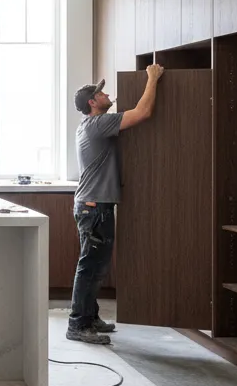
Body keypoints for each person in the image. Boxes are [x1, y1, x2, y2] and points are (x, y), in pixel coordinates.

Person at [66, 64, 164, 345]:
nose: (107, 94)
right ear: (92, 103)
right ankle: (77, 324)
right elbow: (143, 113)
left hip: (93, 205)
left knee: (95, 265)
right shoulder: (98, 124)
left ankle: (90, 316)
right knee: (90, 266)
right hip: (94, 207)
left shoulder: (89, 126)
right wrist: (152, 78)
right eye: (101, 93)